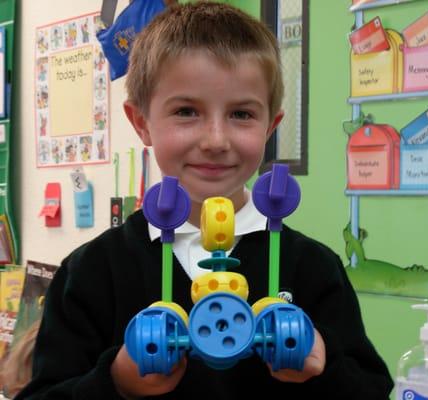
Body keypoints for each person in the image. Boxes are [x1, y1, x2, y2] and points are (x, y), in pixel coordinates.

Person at [17, 2, 393, 399]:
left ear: (271, 126)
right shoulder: (93, 272)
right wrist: (117, 380)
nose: (215, 140)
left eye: (242, 115)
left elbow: (370, 388)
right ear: (141, 123)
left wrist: (324, 362)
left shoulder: (313, 268)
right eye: (186, 111)